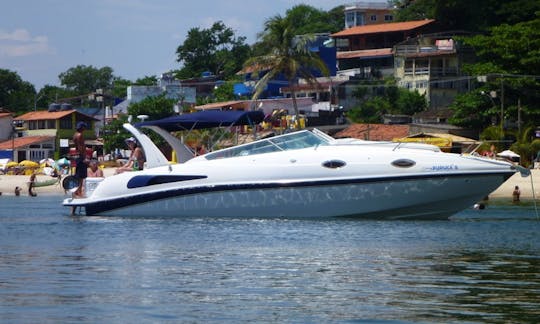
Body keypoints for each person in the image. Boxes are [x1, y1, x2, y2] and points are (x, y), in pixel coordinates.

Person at [73, 121, 89, 197]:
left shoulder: (75, 135)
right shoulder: (80, 135)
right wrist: (84, 157)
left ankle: (77, 190)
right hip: (81, 156)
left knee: (78, 175)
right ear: (82, 128)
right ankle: (78, 191)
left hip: (77, 156)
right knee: (82, 176)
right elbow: (81, 147)